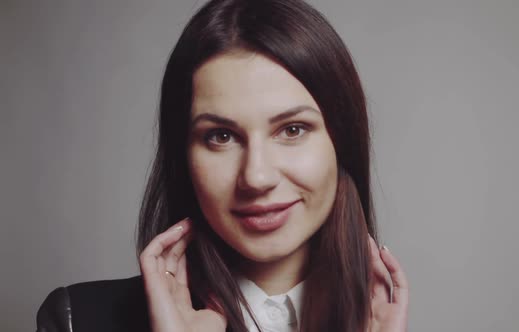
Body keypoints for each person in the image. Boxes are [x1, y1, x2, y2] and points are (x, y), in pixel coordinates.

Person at [36, 0, 409, 331]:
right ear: (183, 153)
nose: (256, 177)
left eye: (292, 129)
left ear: (342, 142)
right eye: (221, 136)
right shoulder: (76, 320)